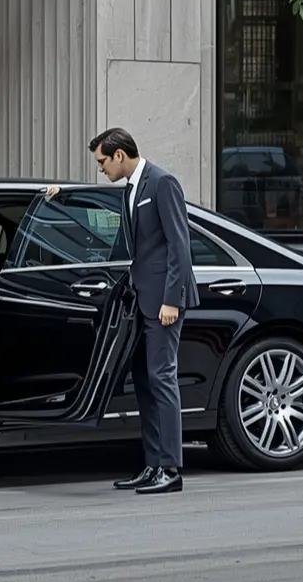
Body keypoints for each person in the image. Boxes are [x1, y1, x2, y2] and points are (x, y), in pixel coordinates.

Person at [47, 127, 199, 494]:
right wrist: (63, 195)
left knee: (162, 379)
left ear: (119, 155)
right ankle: (153, 464)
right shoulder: (131, 188)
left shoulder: (162, 183)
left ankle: (170, 470)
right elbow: (100, 202)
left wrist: (172, 300)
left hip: (163, 302)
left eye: (102, 161)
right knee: (145, 382)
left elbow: (179, 245)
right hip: (141, 300)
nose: (100, 168)